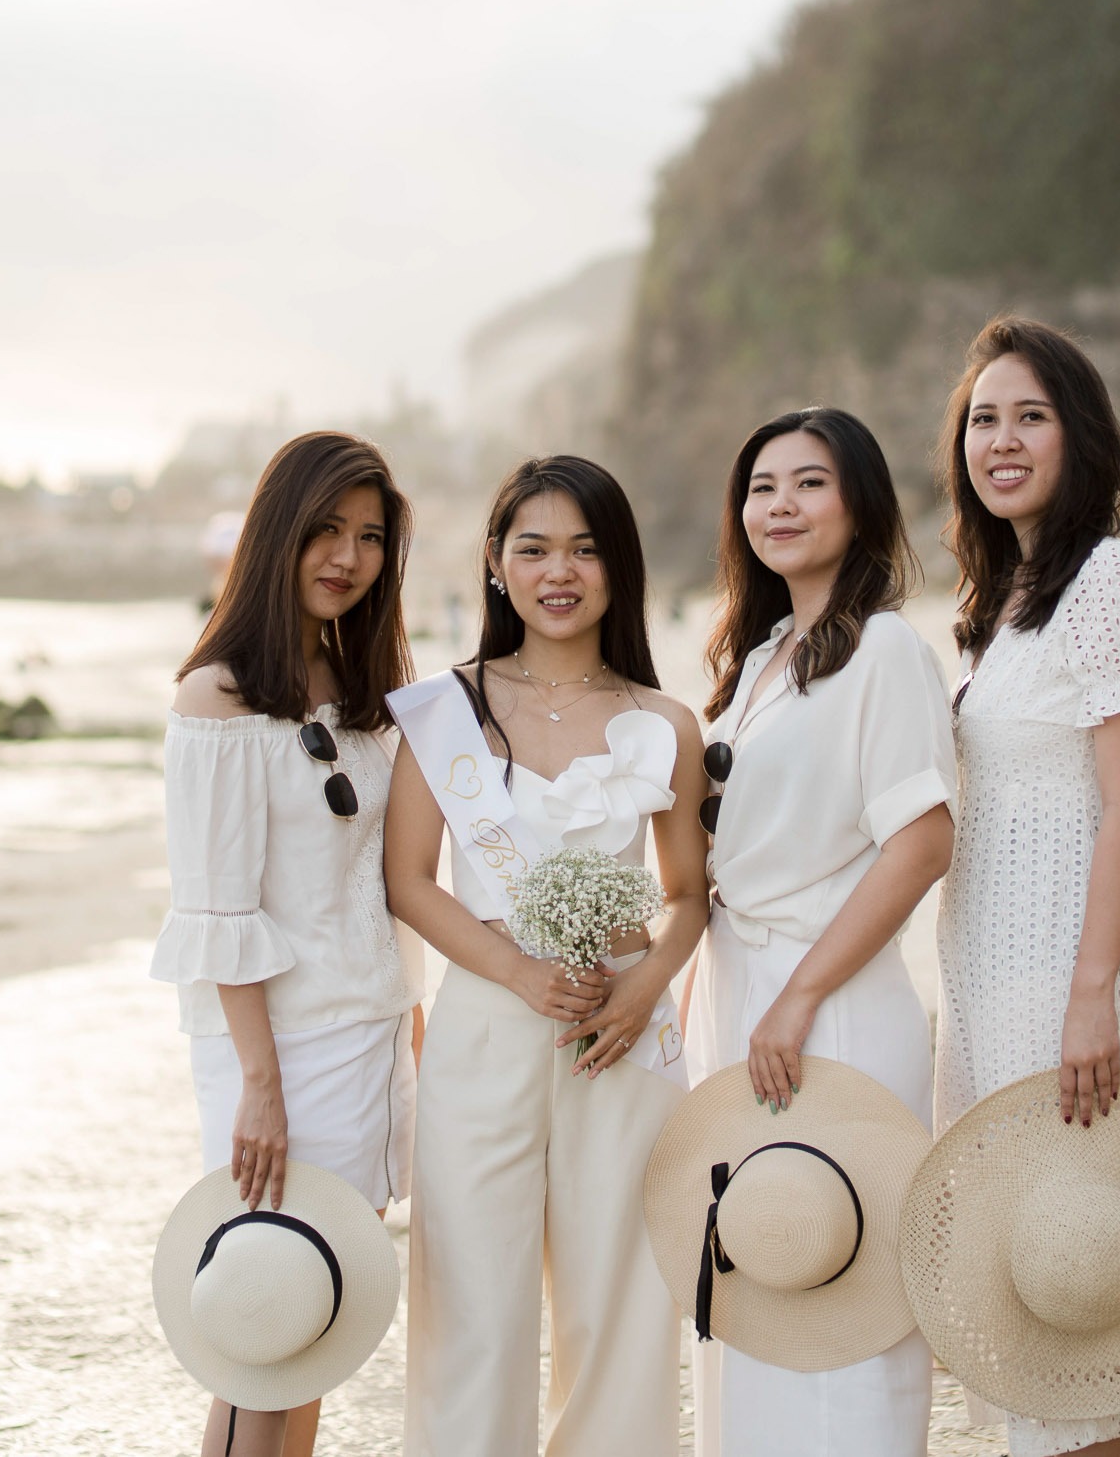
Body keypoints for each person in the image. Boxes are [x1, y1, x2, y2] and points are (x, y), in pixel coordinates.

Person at [386, 455, 710, 1457]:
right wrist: (519, 972)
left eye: (584, 548)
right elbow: (408, 880)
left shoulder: (665, 724)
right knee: (470, 1313)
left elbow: (691, 896)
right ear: (494, 564)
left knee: (619, 1308)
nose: (557, 571)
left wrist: (642, 987)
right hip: (484, 1030)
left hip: (620, 1039)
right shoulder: (445, 710)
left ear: (619, 567)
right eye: (533, 548)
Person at [683, 407, 956, 1457]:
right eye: (761, 487)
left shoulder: (883, 650)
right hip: (735, 1001)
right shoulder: (756, 659)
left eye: (808, 483)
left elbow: (920, 844)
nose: (780, 505)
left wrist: (798, 994)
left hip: (829, 1011)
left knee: (843, 1306)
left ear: (859, 505)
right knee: (754, 1290)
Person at [933, 316, 1120, 1457]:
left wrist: (1091, 991)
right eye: (984, 418)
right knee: (1005, 1288)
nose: (1002, 439)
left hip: (1061, 984)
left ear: (1077, 435)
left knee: (1067, 1283)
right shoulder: (1004, 603)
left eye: (1029, 414)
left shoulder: (1108, 580)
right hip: (984, 981)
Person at [148, 432, 421, 1457]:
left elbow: (369, 886)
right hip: (275, 1053)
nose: (346, 557)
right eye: (323, 531)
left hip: (360, 1037)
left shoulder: (355, 695)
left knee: (315, 1321)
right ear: (275, 535)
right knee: (259, 1318)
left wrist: (409, 1015)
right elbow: (215, 913)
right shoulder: (216, 698)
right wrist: (259, 1082)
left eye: (367, 537)